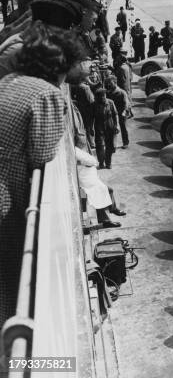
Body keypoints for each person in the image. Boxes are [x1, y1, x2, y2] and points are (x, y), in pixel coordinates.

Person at [0, 21, 85, 330]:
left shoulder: (10, 78)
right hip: (5, 197)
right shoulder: (46, 94)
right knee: (11, 278)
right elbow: (43, 153)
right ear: (59, 66)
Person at [75, 146, 125, 228]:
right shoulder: (80, 165)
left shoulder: (84, 159)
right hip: (84, 187)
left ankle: (112, 209)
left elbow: (92, 165)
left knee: (108, 190)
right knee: (93, 201)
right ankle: (97, 223)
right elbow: (90, 164)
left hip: (90, 182)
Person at [93, 84, 119, 169]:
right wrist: (90, 128)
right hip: (98, 126)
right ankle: (101, 162)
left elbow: (115, 115)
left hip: (109, 125)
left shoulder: (110, 103)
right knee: (100, 145)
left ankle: (108, 163)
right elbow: (90, 117)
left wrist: (116, 126)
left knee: (110, 146)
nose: (103, 98)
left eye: (104, 96)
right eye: (101, 97)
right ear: (97, 97)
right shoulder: (94, 104)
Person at [105, 76, 130, 149]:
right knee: (112, 128)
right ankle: (113, 144)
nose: (109, 84)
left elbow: (126, 103)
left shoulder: (122, 92)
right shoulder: (109, 92)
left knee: (123, 128)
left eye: (111, 83)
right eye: (108, 83)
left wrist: (124, 112)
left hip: (121, 113)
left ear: (115, 83)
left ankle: (125, 143)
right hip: (113, 113)